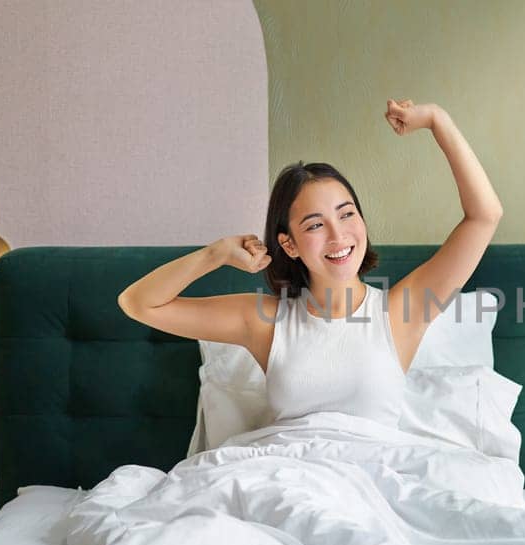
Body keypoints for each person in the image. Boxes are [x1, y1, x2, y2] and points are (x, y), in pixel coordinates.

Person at [118, 99, 502, 427]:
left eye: (347, 214)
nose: (338, 236)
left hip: (370, 482)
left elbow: (484, 216)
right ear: (290, 244)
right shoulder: (264, 322)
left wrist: (437, 119)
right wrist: (215, 253)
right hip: (289, 479)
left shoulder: (402, 311)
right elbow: (137, 303)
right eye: (315, 225)